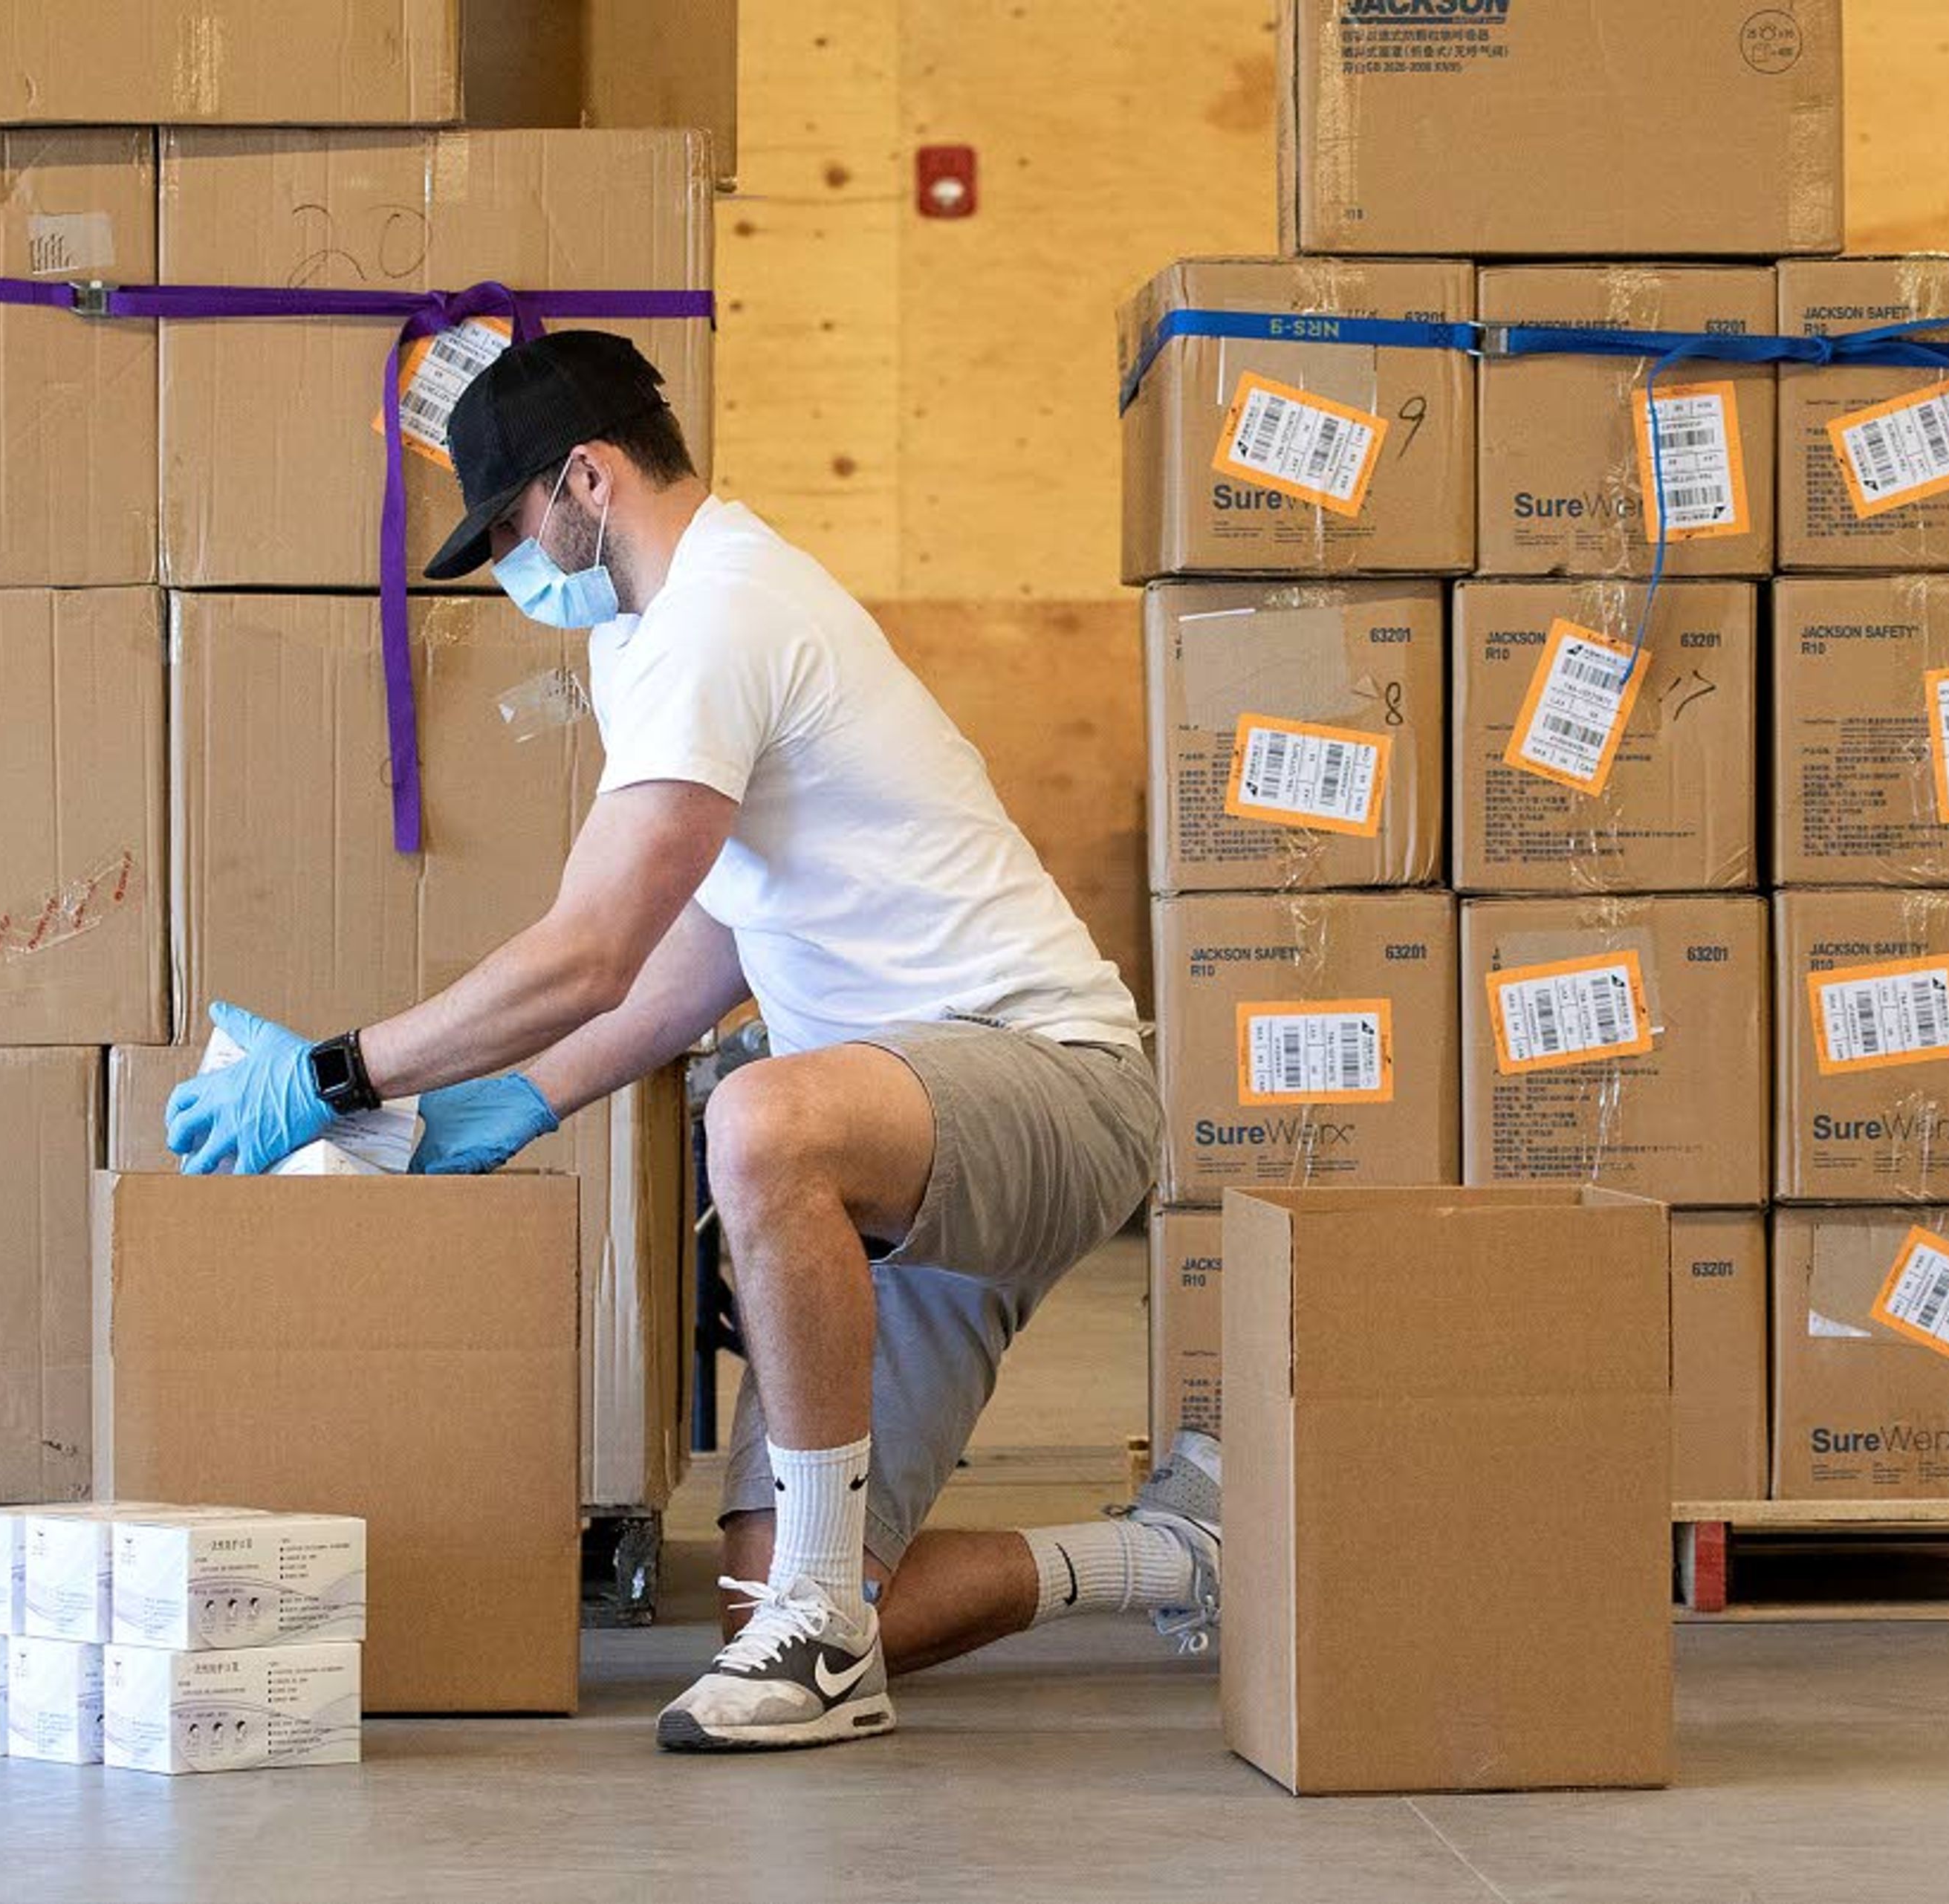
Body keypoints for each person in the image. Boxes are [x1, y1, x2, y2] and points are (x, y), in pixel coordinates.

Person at [164, 330, 1216, 1753]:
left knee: (759, 1119)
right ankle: (1171, 1553)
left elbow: (590, 944)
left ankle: (826, 1627)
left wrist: (338, 1075)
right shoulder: (641, 638)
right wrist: (522, 1101)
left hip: (1046, 1086)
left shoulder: (726, 607)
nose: (520, 562)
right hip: (894, 1141)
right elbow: (710, 943)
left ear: (587, 478)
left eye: (518, 523)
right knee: (751, 1604)